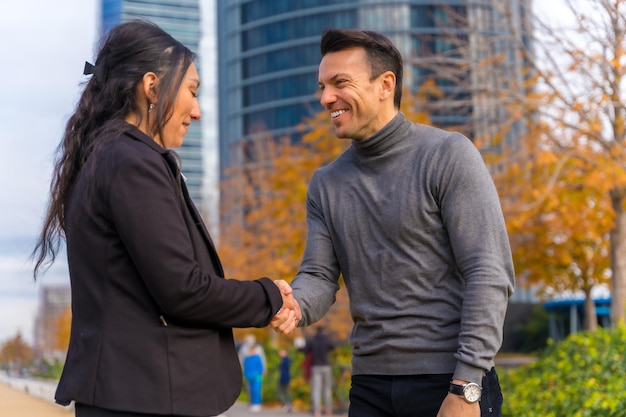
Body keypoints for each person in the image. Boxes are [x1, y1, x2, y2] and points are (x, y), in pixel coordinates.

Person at [31, 20, 299, 417]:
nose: (198, 111)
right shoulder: (132, 163)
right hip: (145, 398)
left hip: (126, 394)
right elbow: (183, 290)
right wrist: (269, 295)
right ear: (152, 86)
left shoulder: (107, 155)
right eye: (191, 91)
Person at [272, 29, 515, 417]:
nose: (325, 98)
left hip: (448, 380)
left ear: (386, 84)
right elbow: (319, 275)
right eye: (322, 86)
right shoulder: (325, 184)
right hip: (369, 385)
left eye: (340, 83)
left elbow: (488, 272)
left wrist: (467, 386)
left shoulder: (448, 155)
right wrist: (294, 304)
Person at [304, 327, 335, 417]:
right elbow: (332, 347)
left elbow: (306, 350)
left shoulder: (312, 340)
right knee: (327, 389)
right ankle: (328, 410)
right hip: (326, 366)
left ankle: (317, 412)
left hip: (315, 366)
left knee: (316, 390)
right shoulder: (326, 339)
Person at [243, 344, 265, 413]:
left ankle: (258, 404)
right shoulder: (247, 359)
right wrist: (246, 375)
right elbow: (245, 368)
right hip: (249, 378)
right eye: (250, 350)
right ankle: (253, 404)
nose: (251, 351)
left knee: (256, 390)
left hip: (257, 377)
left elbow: (260, 367)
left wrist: (257, 374)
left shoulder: (257, 357)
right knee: (251, 391)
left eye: (252, 350)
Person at [277, 348, 293, 413]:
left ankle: (287, 404)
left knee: (281, 392)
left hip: (284, 378)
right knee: (285, 392)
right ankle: (287, 404)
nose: (280, 354)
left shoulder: (286, 360)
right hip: (285, 378)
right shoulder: (284, 360)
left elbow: (284, 371)